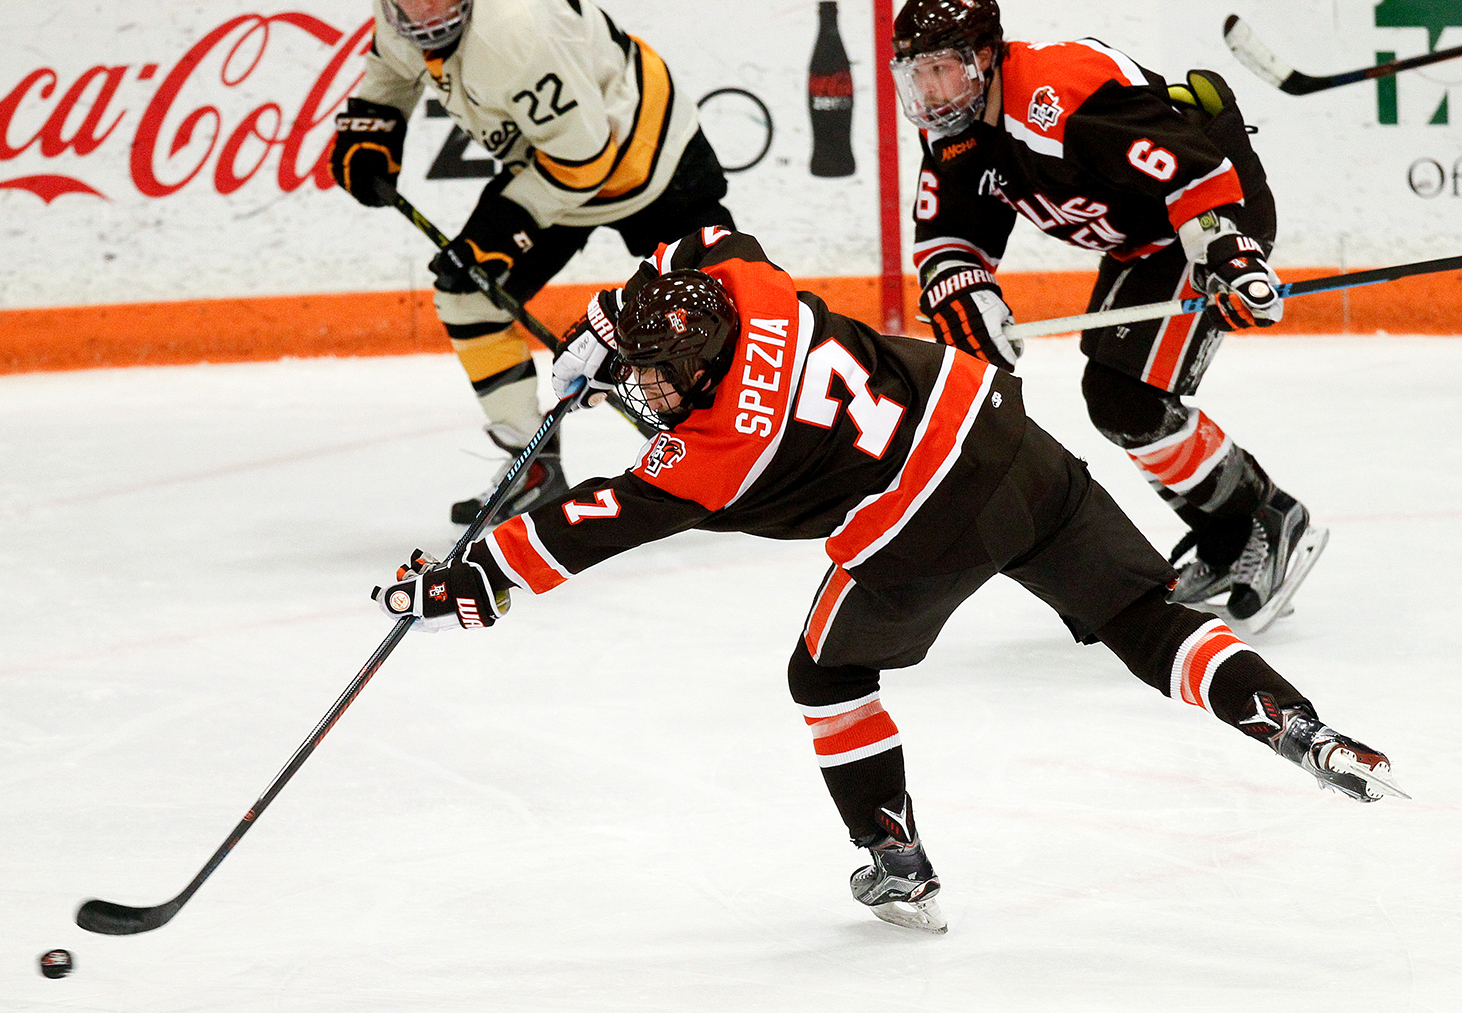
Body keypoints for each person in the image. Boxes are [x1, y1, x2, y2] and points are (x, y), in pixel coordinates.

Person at [372, 227, 1405, 934]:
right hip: (999, 433)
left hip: (923, 521)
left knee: (825, 676)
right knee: (1145, 615)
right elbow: (699, 248)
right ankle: (1301, 726)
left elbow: (587, 522)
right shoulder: (751, 290)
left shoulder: (716, 449)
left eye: (652, 377)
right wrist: (609, 325)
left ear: (696, 369)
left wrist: (469, 583)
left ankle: (895, 854)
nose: (639, 392)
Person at [887, 0, 1325, 630]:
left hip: (1206, 220)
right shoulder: (955, 126)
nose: (926, 92)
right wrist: (962, 284)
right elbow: (950, 231)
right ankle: (1234, 536)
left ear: (983, 58)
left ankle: (1264, 518)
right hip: (1141, 243)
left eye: (939, 70)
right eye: (915, 74)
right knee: (1117, 402)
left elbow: (1190, 171)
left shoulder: (1057, 94)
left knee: (1131, 401)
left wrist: (1226, 250)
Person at [331, 0, 735, 523]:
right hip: (551, 163)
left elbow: (586, 157)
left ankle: (743, 444)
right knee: (469, 298)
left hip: (649, 155)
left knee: (713, 308)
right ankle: (532, 468)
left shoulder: (513, 30)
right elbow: (391, 66)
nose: (424, 16)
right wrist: (374, 126)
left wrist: (504, 229)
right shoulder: (397, 21)